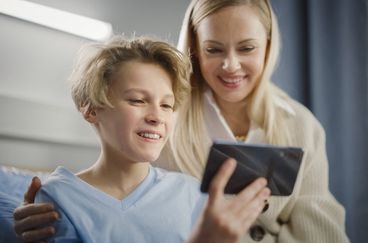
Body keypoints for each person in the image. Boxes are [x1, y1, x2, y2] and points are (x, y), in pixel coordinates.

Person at [14, 0, 350, 242]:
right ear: (194, 48)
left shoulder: (301, 125)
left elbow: (320, 229)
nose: (231, 65)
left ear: (268, 46)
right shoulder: (164, 122)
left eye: (246, 48)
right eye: (214, 50)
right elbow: (115, 194)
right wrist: (54, 204)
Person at [11, 35, 270, 243]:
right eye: (137, 100)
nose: (157, 116)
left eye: (167, 105)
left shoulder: (191, 193)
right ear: (91, 110)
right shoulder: (59, 198)